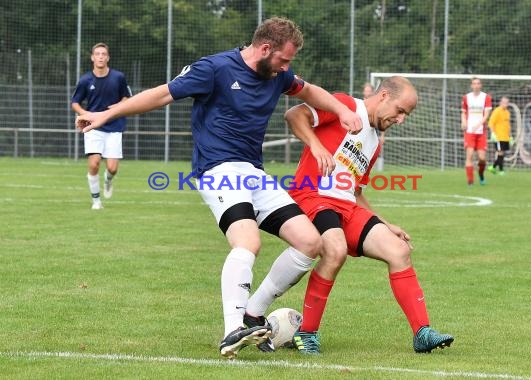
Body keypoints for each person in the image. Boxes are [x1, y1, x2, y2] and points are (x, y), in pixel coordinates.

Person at [76, 17, 362, 359]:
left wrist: (341, 110)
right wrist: (107, 115)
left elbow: (309, 90)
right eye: (285, 60)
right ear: (265, 49)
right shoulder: (214, 69)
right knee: (248, 241)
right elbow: (161, 94)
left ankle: (252, 314)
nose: (288, 68)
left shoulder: (278, 74)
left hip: (253, 172)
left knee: (309, 242)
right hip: (217, 169)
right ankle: (231, 332)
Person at [284, 76, 454, 354]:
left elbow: (355, 192)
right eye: (400, 111)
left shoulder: (375, 143)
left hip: (345, 207)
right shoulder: (345, 106)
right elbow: (294, 114)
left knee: (398, 249)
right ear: (384, 95)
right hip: (312, 196)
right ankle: (307, 333)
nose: (401, 120)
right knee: (335, 250)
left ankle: (422, 333)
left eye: (406, 116)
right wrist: (316, 146)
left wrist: (386, 224)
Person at [71, 42, 132, 210]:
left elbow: (127, 98)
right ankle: (96, 201)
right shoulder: (85, 80)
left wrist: (116, 110)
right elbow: (75, 103)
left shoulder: (118, 77)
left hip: (114, 125)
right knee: (94, 163)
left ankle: (108, 180)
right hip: (93, 127)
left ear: (108, 57)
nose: (100, 56)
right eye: (97, 54)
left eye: (103, 54)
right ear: (92, 57)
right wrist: (85, 115)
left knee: (112, 168)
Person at [461, 77, 492, 185]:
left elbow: (487, 115)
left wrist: (479, 124)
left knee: (482, 158)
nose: (476, 85)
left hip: (481, 132)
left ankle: (481, 174)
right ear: (471, 85)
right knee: (469, 155)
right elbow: (463, 112)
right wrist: (463, 122)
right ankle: (470, 181)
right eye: (474, 83)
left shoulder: (486, 97)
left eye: (478, 83)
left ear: (481, 85)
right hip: (469, 132)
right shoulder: (466, 98)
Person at [488, 96, 512, 175]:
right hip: (498, 137)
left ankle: (493, 167)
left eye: (507, 103)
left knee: (502, 153)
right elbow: (491, 123)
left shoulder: (507, 113)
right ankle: (501, 170)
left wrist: (510, 136)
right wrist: (492, 133)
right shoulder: (497, 111)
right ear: (500, 103)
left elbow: (508, 126)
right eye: (504, 102)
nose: (505, 104)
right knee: (500, 153)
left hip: (505, 137)